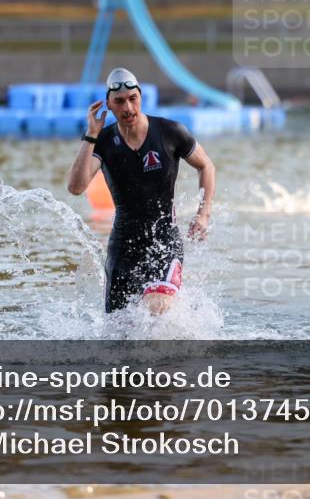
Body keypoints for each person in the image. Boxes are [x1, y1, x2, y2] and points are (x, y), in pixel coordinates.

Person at [67, 68, 216, 315]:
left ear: (141, 98)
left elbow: (206, 166)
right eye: (119, 102)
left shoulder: (170, 131)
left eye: (132, 99)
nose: (128, 107)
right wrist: (91, 134)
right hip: (123, 247)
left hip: (164, 241)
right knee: (118, 332)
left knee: (156, 306)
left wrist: (204, 213)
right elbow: (76, 186)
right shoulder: (103, 142)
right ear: (109, 105)